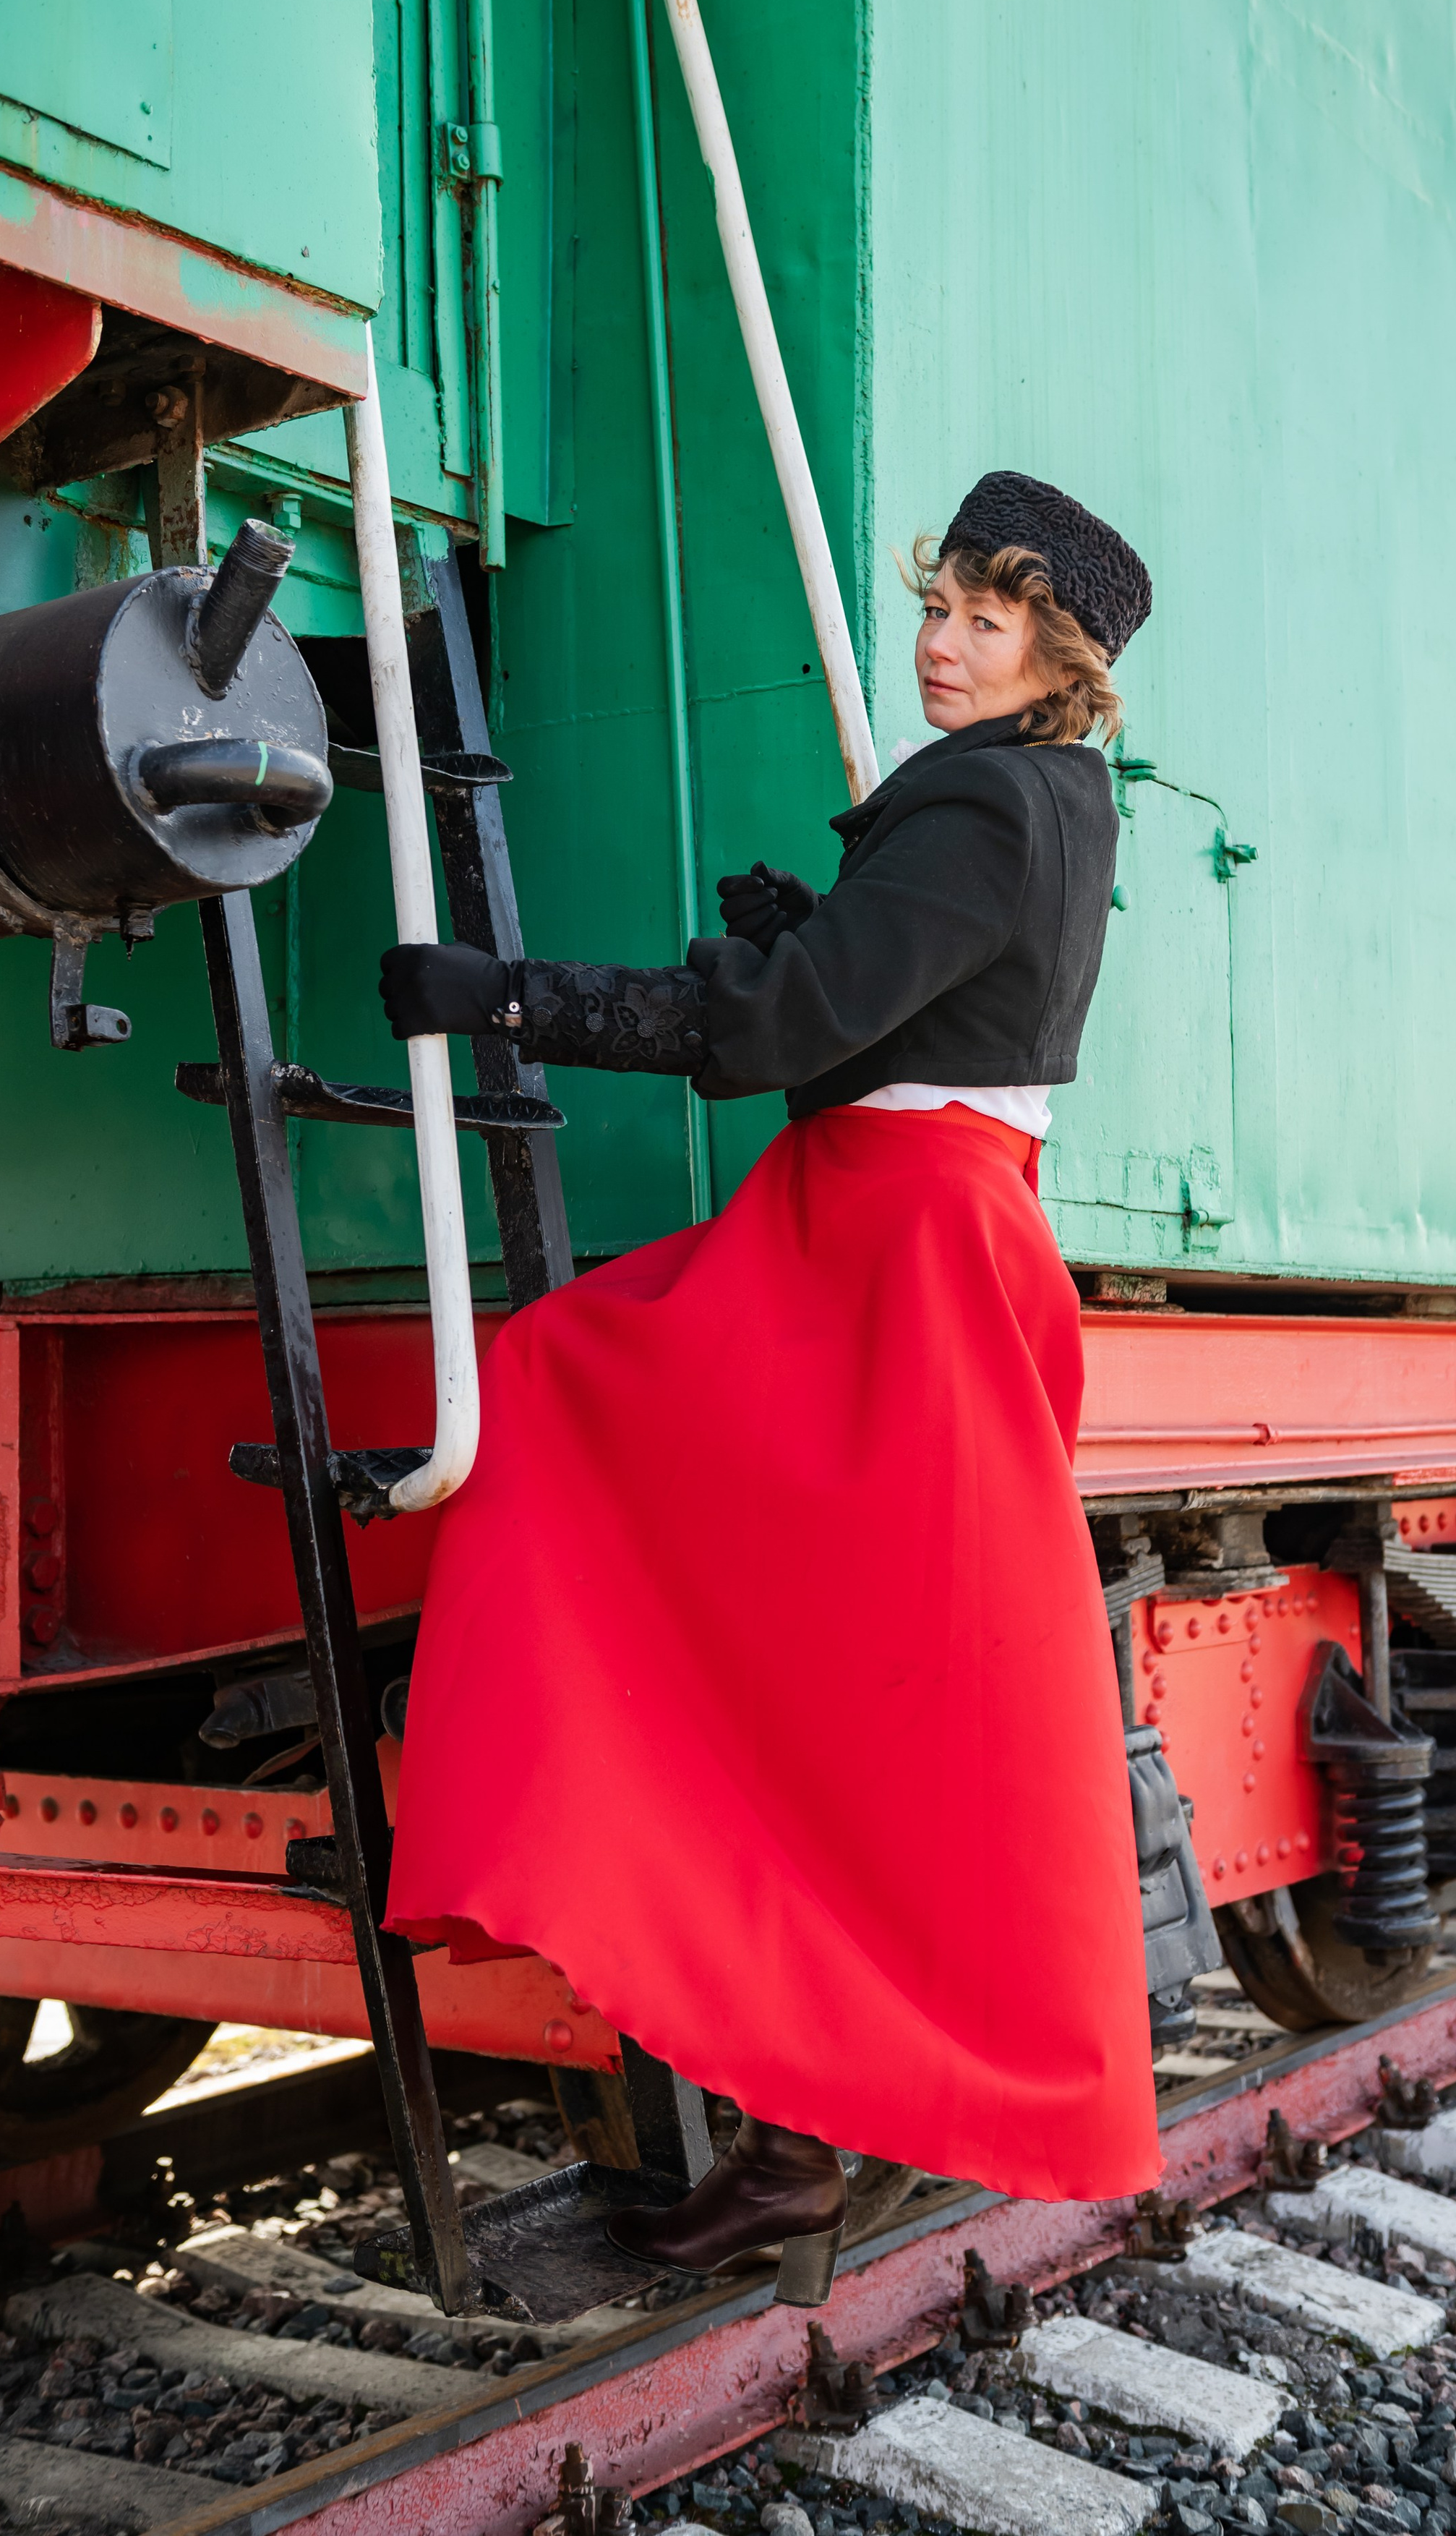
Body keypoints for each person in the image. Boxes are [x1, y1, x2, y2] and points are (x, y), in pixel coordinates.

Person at [380, 471, 1162, 2303]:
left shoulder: (984, 795)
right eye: (937, 604)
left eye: (982, 618)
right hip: (914, 1230)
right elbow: (916, 1003)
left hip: (884, 1247)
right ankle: (788, 2122)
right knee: (842, 1679)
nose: (937, 641)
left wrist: (506, 997)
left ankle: (640, 1927)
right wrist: (817, 927)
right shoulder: (1056, 796)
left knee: (563, 1395)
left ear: (1057, 654)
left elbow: (772, 1027)